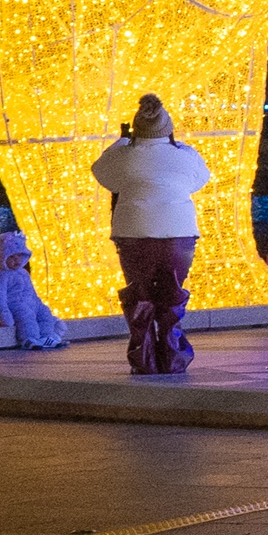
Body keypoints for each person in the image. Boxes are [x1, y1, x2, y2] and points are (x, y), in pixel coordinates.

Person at [88, 94, 213, 376]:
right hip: (179, 233)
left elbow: (102, 174)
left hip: (133, 233)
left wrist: (121, 142)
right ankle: (173, 357)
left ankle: (144, 360)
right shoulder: (185, 154)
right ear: (168, 129)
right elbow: (200, 180)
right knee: (172, 296)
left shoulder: (123, 155)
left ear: (135, 129)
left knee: (140, 296)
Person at [0, 218, 69, 351]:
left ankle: (47, 337)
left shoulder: (23, 273)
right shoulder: (1, 275)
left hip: (30, 302)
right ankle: (29, 338)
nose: (16, 260)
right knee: (26, 316)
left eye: (19, 256)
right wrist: (3, 314)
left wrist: (39, 304)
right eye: (12, 257)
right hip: (14, 304)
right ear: (2, 257)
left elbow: (31, 292)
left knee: (45, 314)